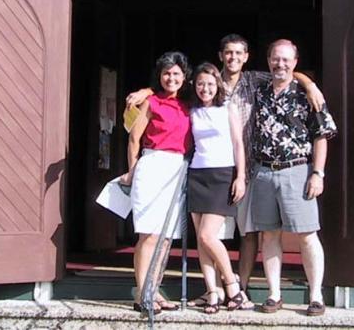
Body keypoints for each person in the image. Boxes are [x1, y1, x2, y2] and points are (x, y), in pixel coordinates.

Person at [126, 34, 325, 308]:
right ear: (221, 56)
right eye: (228, 53)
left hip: (248, 168)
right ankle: (212, 291)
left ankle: (238, 287)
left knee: (248, 232)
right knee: (201, 235)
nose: (232, 58)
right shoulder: (206, 82)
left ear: (246, 57)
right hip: (197, 171)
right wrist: (146, 92)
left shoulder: (256, 80)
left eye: (238, 54)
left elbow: (286, 73)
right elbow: (169, 88)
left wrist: (310, 84)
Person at [251, 39, 337, 316]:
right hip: (263, 172)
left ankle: (315, 296)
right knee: (269, 235)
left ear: (295, 62)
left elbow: (321, 136)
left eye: (286, 59)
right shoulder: (258, 90)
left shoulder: (307, 94)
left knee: (307, 234)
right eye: (276, 58)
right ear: (268, 60)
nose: (281, 64)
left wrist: (318, 173)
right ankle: (274, 294)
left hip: (297, 169)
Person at [121, 51, 192, 314]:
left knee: (165, 238)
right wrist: (131, 171)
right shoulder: (151, 102)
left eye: (176, 73)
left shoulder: (189, 103)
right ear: (159, 76)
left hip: (178, 168)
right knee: (149, 233)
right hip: (153, 165)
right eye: (166, 73)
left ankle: (154, 287)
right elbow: (134, 139)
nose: (171, 78)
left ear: (184, 77)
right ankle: (142, 292)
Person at [187, 62, 247, 313]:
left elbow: (237, 143)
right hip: (196, 174)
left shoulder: (227, 109)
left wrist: (240, 176)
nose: (205, 88)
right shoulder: (191, 110)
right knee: (201, 241)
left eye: (210, 84)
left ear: (218, 85)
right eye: (200, 84)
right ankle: (213, 291)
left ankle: (232, 286)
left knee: (207, 235)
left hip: (222, 174)